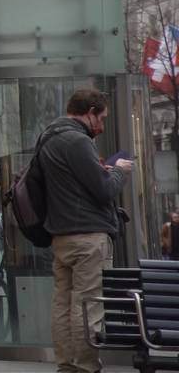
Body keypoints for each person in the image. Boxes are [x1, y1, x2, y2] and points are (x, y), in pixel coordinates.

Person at [42, 89, 132, 373]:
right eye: (101, 118)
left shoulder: (49, 138)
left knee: (63, 304)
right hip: (88, 236)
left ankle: (67, 364)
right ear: (90, 111)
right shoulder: (78, 141)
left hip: (61, 235)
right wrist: (118, 171)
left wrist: (99, 170)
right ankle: (85, 366)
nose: (102, 126)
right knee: (87, 305)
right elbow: (104, 190)